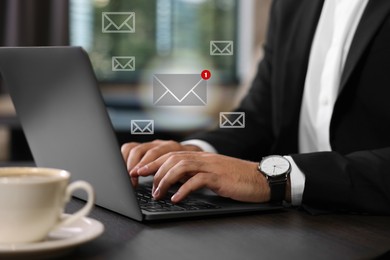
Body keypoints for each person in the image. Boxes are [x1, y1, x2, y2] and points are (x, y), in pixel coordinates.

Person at [121, 0, 390, 214]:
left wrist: (272, 178)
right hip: (295, 220)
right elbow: (258, 115)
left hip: (371, 226)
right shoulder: (291, 5)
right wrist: (194, 152)